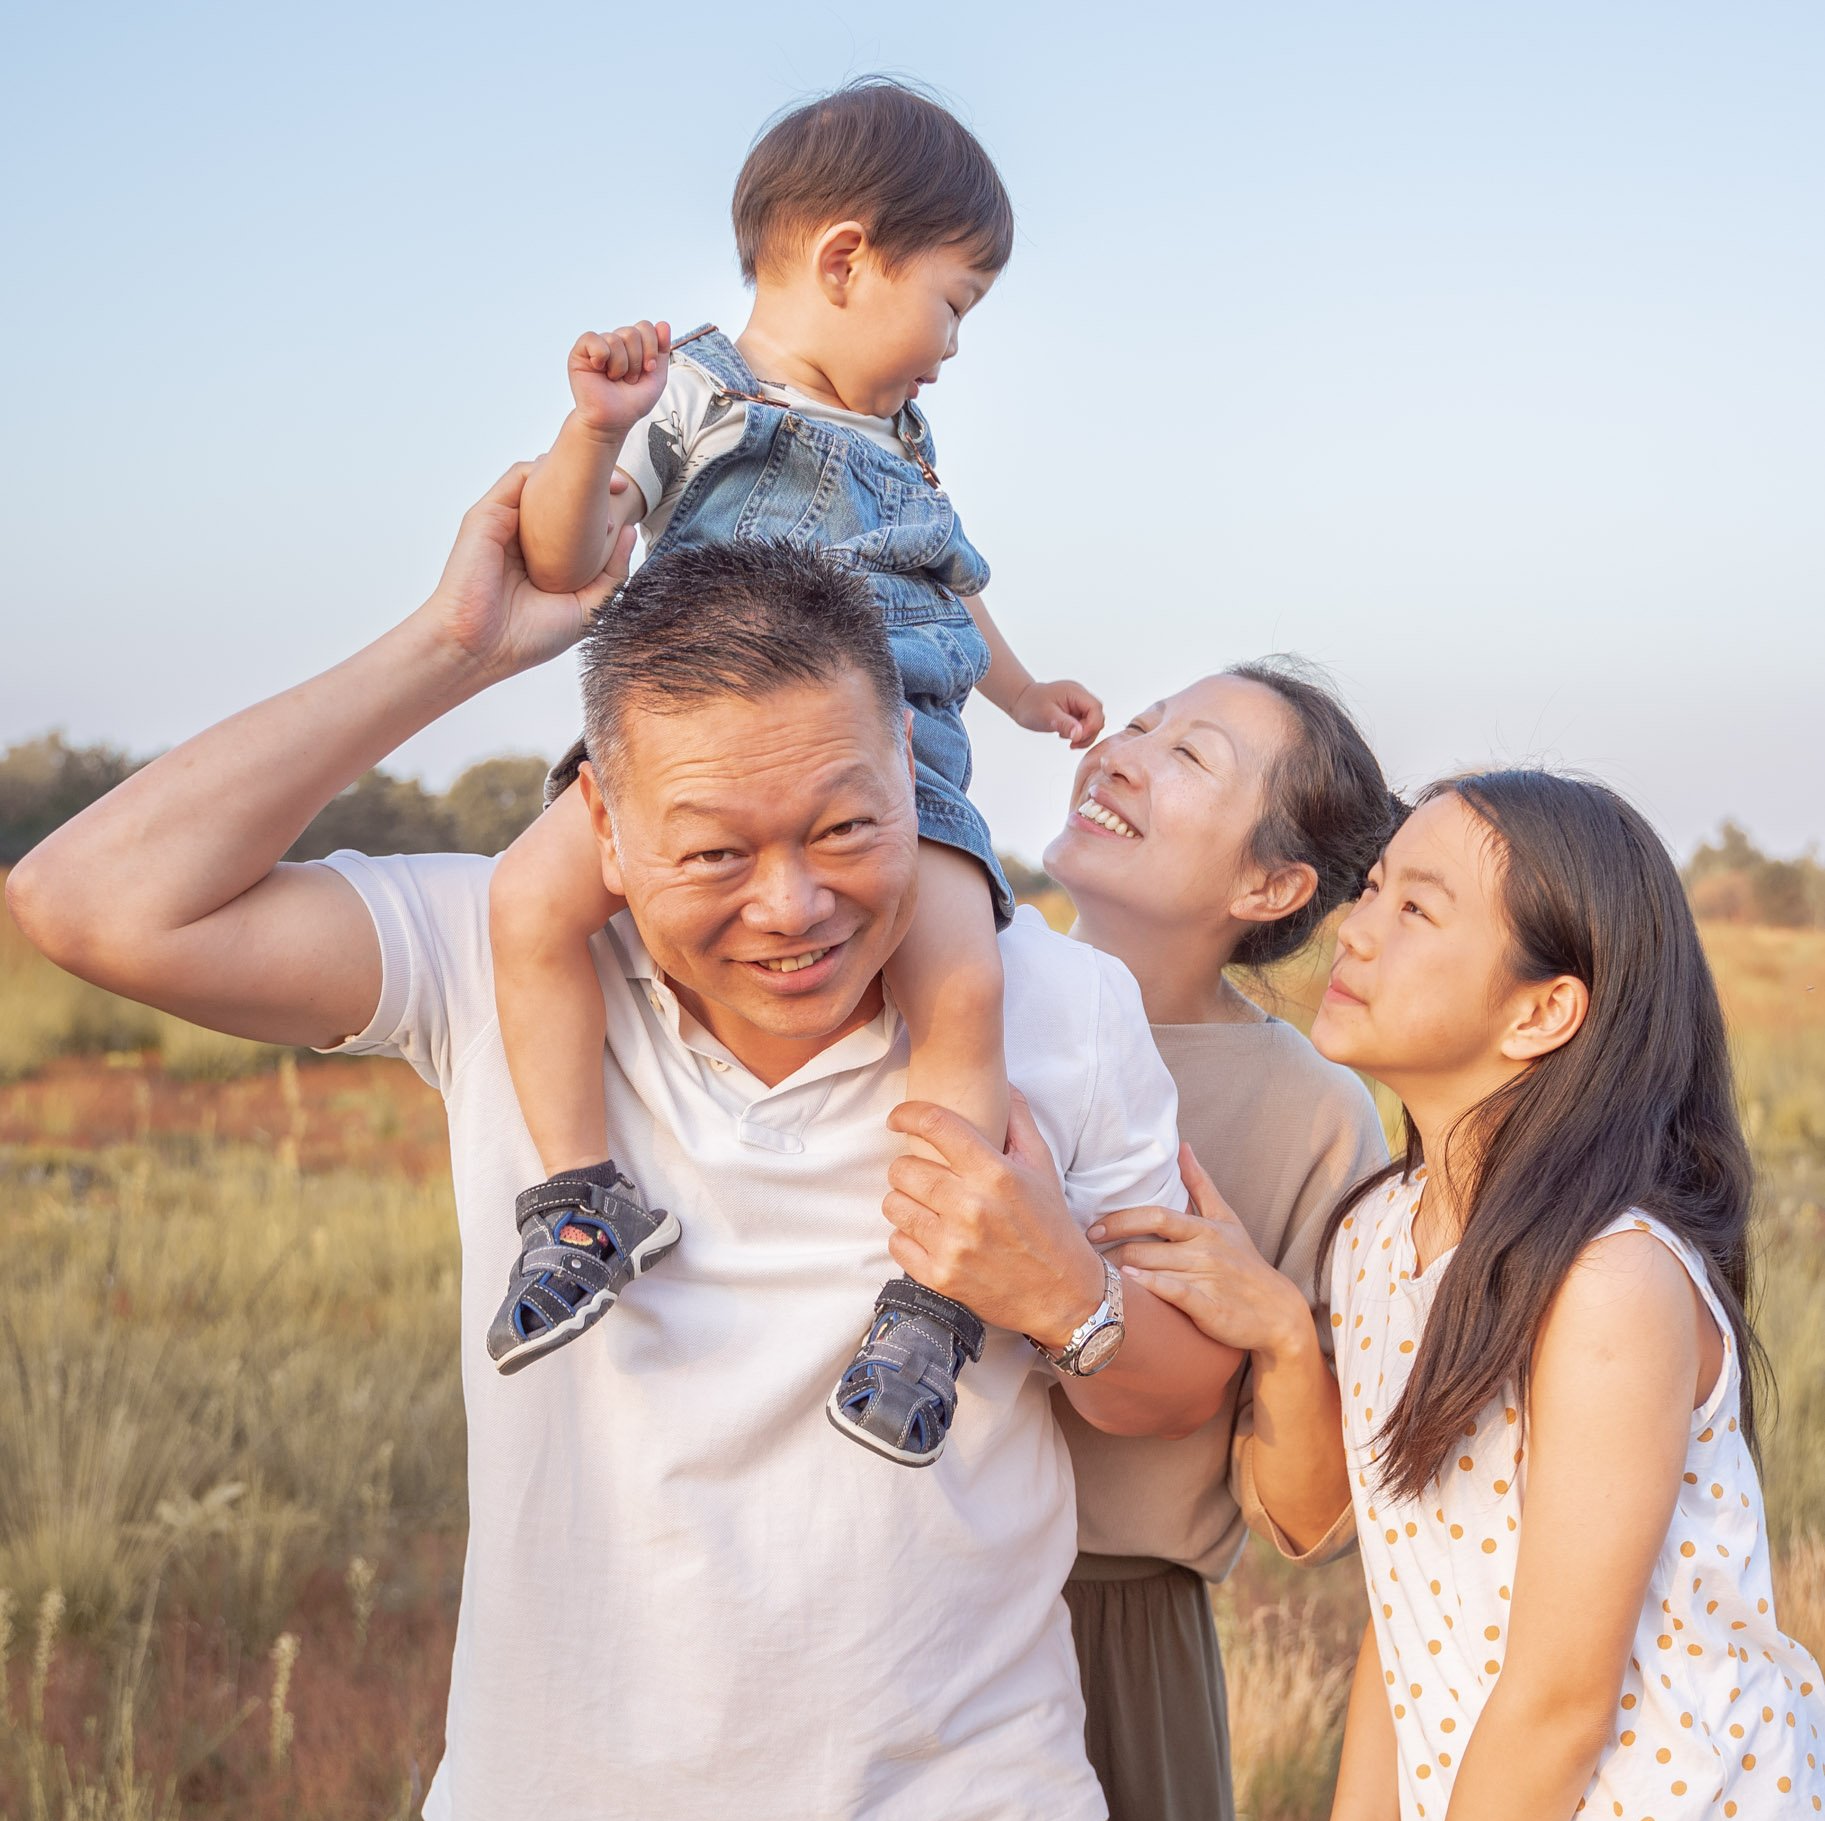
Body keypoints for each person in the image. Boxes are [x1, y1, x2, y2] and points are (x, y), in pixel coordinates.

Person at [5, 471, 1238, 1820]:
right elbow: (86, 903)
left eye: (847, 827)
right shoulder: (491, 958)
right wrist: (454, 647)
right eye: (714, 854)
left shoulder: (1057, 1004)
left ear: (910, 767)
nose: (795, 906)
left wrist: (1068, 1294)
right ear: (600, 822)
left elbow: (1172, 1398)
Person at [486, 78, 1101, 1475]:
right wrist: (588, 430)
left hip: (902, 776)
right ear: (844, 259)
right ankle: (580, 1203)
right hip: (684, 748)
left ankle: (934, 1292)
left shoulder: (907, 446)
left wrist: (1020, 692)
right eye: (953, 303)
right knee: (527, 904)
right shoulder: (696, 389)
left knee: (963, 977)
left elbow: (953, 589)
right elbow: (571, 556)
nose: (951, 349)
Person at [1123, 770, 1825, 1819]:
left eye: (1417, 908)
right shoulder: (1374, 1236)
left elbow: (1556, 1706)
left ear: (1543, 1011)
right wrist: (1280, 1336)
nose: (1354, 933)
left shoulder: (1606, 1279)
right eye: (1371, 889)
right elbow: (1399, 1616)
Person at [1036, 665, 1396, 1821]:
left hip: (1111, 1632)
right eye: (1138, 724)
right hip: (866, 1581)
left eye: (1189, 755)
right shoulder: (944, 992)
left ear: (1271, 881)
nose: (1124, 752)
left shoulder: (1311, 1111)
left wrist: (1281, 1339)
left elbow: (1315, 1521)